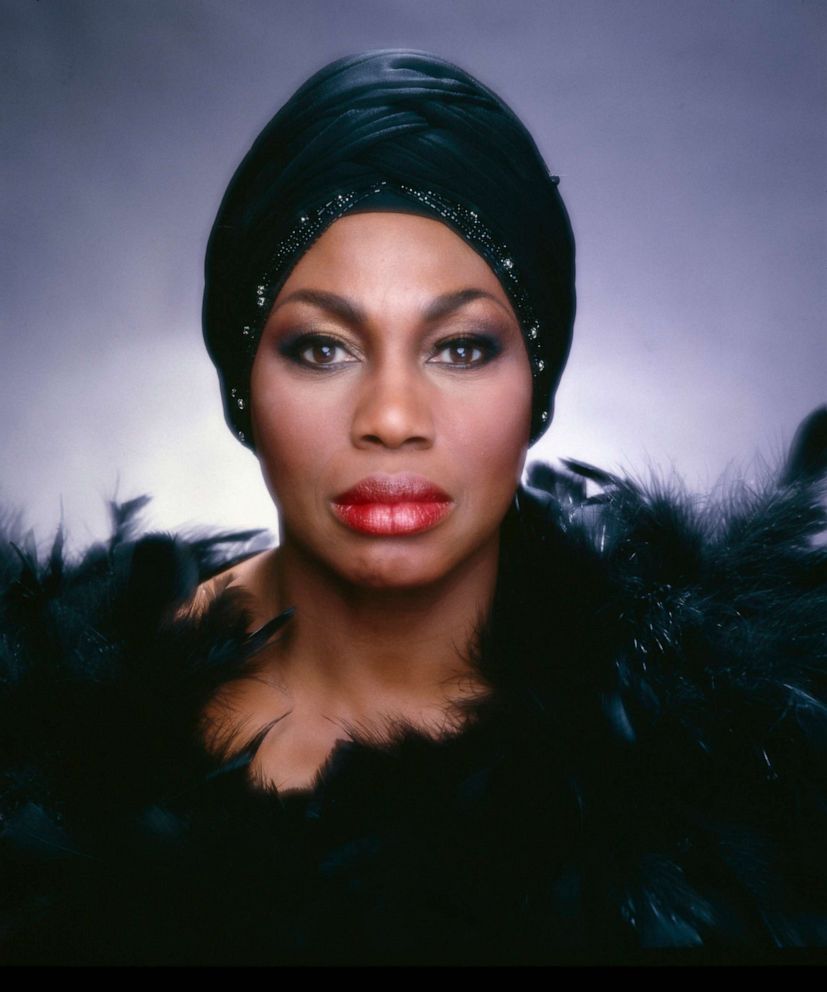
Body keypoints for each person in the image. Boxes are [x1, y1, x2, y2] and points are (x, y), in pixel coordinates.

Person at [1, 49, 825, 966]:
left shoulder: (731, 752)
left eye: (461, 348)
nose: (391, 418)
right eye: (321, 348)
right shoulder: (43, 732)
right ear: (242, 389)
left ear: (536, 387)